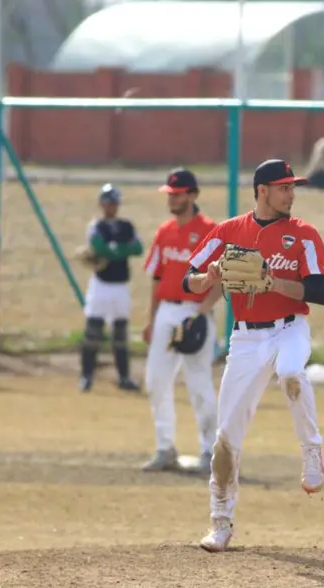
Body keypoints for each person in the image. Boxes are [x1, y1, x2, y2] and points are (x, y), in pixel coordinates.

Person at [184, 158, 324, 553]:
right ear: (262, 190)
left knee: (291, 373)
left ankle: (312, 452)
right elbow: (190, 279)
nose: (291, 193)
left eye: (292, 186)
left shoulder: (303, 234)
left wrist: (274, 282)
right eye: (284, 187)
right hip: (246, 339)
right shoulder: (230, 232)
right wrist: (212, 274)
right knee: (226, 437)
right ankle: (220, 521)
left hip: (290, 327)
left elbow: (321, 293)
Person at [141, 168, 222, 473]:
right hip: (166, 311)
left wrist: (201, 314)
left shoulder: (209, 231)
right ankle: (165, 448)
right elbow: (157, 277)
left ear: (192, 195)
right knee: (156, 381)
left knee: (199, 384)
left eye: (177, 194)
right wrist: (151, 320)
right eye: (170, 194)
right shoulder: (165, 231)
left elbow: (220, 280)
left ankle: (209, 453)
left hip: (195, 310)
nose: (172, 199)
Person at [78, 183, 144, 392]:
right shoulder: (96, 226)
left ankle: (124, 377)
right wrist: (120, 250)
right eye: (107, 202)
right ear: (101, 204)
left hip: (121, 285)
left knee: (120, 333)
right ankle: (86, 376)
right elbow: (98, 246)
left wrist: (114, 250)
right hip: (101, 284)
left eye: (114, 202)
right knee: (93, 331)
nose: (110, 206)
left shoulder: (126, 226)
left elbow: (139, 248)